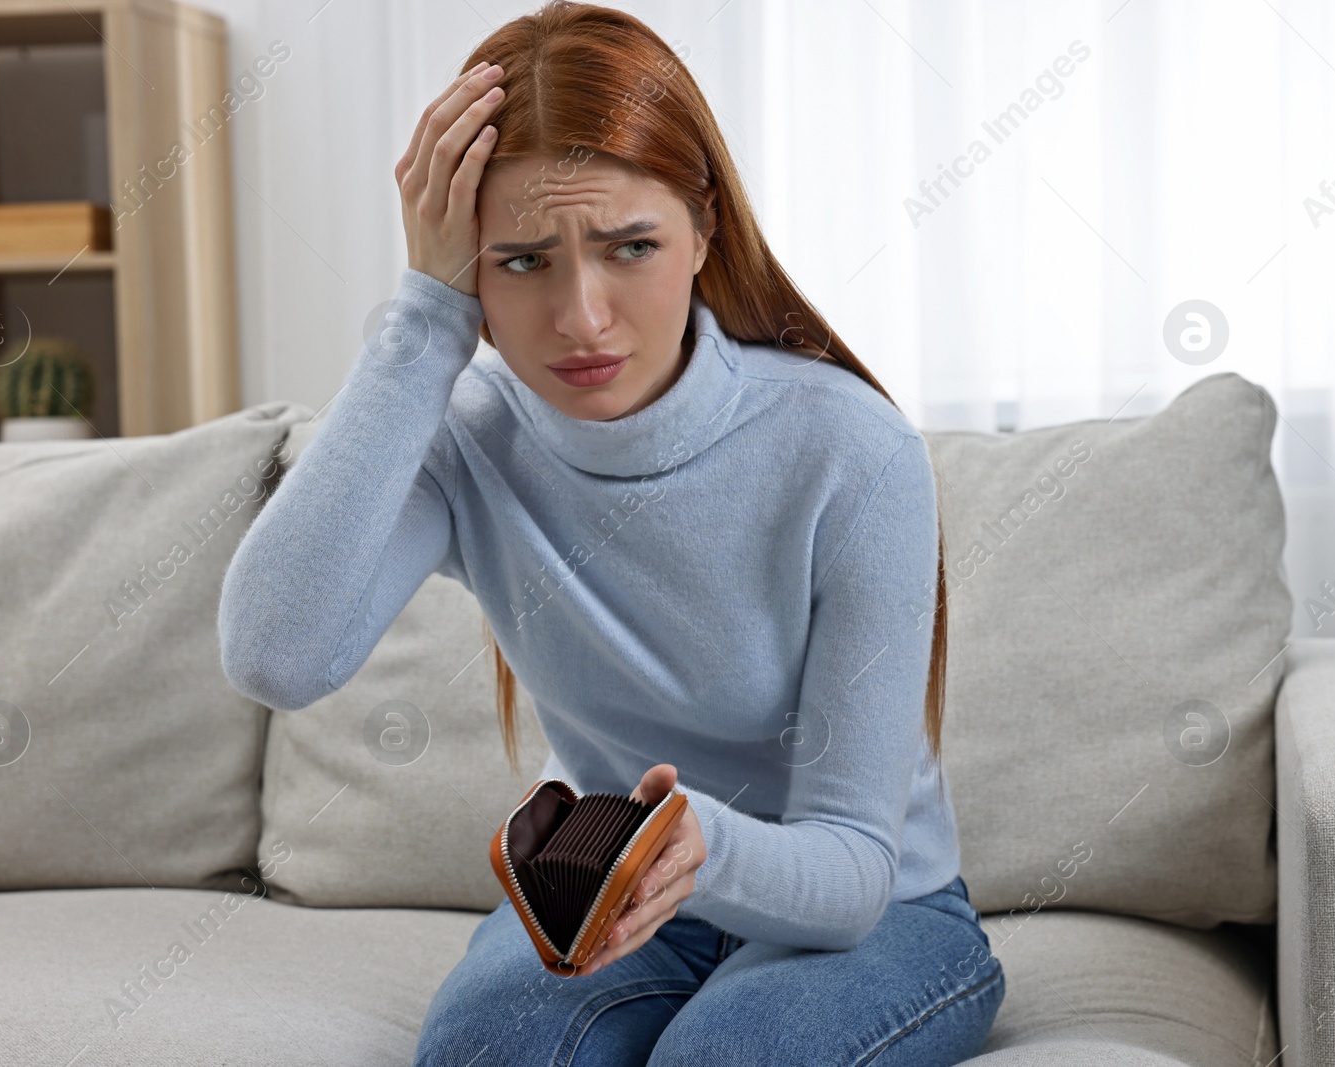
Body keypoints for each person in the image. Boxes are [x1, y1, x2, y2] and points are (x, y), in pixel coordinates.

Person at [217, 3, 1004, 1063]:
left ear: (703, 229)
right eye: (523, 261)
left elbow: (855, 866)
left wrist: (698, 847)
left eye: (629, 246)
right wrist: (420, 323)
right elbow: (276, 652)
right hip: (623, 892)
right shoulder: (466, 441)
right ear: (468, 266)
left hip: (876, 907)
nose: (582, 317)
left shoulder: (849, 451)